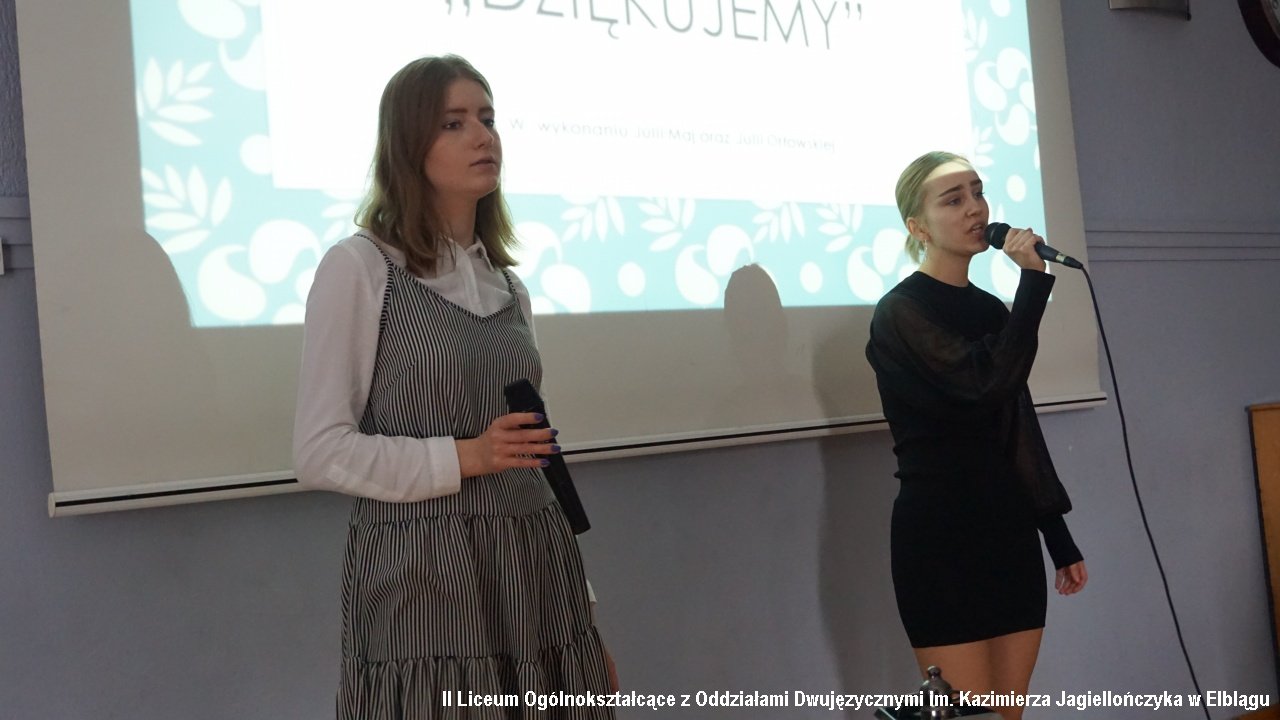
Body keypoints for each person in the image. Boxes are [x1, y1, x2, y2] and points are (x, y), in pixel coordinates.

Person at [293, 55, 616, 718]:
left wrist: (585, 616)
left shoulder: (510, 286)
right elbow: (319, 451)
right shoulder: (360, 268)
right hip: (424, 576)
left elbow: (538, 459)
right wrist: (465, 456)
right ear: (409, 144)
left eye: (488, 119)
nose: (482, 136)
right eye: (454, 123)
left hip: (536, 572)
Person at [865, 151, 1088, 720]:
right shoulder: (900, 313)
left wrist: (1057, 536)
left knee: (1008, 715)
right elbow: (983, 385)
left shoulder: (991, 311)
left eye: (978, 192)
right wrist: (1033, 283)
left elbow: (1016, 425)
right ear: (917, 227)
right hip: (941, 538)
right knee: (969, 718)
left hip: (1008, 533)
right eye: (954, 199)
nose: (976, 209)